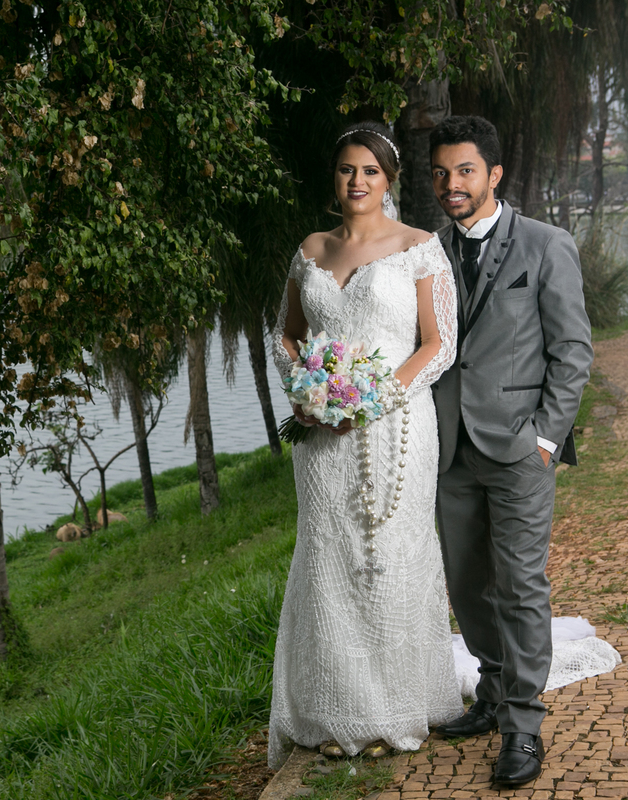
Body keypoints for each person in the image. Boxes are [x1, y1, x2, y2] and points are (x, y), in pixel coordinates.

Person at [268, 121, 464, 768]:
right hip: (321, 435)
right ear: (335, 177)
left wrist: (377, 397)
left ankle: (395, 707)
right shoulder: (312, 249)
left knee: (389, 555)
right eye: (347, 170)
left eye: (370, 172)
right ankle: (332, 711)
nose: (357, 182)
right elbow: (287, 335)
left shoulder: (420, 248)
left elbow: (438, 345)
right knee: (330, 558)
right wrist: (305, 391)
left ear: (390, 180)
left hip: (397, 428)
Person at [429, 115, 592, 787]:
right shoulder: (427, 252)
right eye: (441, 173)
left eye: (465, 170)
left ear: (494, 174)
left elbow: (573, 351)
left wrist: (546, 440)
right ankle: (493, 693)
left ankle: (523, 725)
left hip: (521, 448)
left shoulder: (547, 245)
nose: (451, 184)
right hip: (449, 450)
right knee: (468, 585)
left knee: (522, 585)